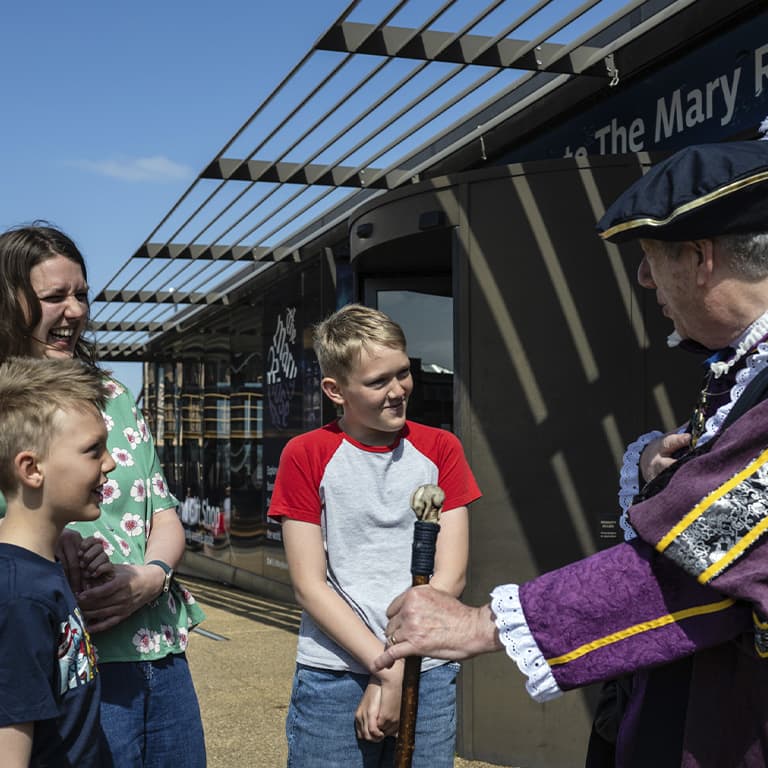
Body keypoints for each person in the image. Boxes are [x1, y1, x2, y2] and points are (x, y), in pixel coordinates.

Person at [374, 137, 768, 768]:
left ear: (700, 256)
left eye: (649, 256)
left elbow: (702, 559)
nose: (642, 278)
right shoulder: (744, 370)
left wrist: (481, 624)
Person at [0, 223, 207, 767]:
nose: (74, 311)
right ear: (9, 301)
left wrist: (149, 577)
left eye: (81, 294)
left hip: (159, 651)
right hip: (67, 664)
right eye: (53, 297)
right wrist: (51, 547)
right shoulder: (5, 410)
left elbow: (163, 513)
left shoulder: (114, 395)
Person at [268, 304, 481, 767]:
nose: (397, 391)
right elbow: (309, 584)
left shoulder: (441, 448)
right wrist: (383, 668)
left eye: (403, 373)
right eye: (377, 382)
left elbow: (452, 574)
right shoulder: (306, 455)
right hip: (334, 673)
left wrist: (397, 666)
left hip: (426, 668)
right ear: (335, 390)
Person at [0, 356, 115, 767]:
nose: (111, 463)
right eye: (93, 450)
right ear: (31, 469)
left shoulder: (41, 573)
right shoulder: (19, 598)